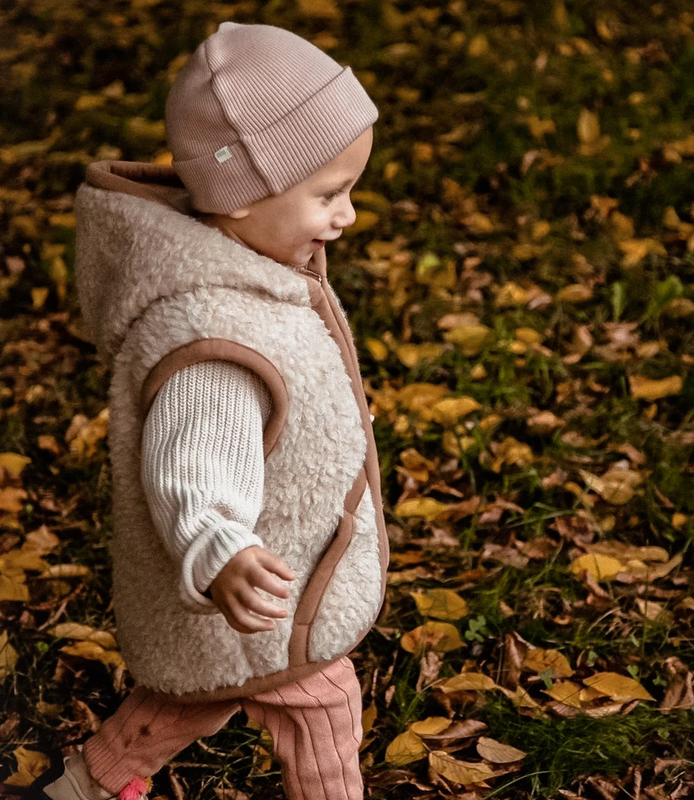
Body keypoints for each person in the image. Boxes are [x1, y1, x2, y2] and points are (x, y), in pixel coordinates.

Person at [20, 21, 388, 800]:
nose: (347, 215)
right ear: (241, 193)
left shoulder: (256, 270)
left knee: (190, 694)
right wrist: (220, 549)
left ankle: (85, 787)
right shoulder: (216, 338)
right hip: (255, 589)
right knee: (323, 708)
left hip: (250, 598)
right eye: (328, 194)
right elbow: (190, 464)